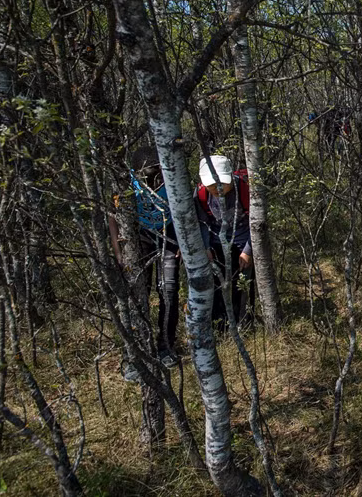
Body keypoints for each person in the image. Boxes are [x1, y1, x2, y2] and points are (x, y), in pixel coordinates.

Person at [108, 146, 181, 371]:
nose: (151, 179)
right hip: (141, 237)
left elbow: (184, 209)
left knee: (168, 291)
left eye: (155, 173)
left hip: (169, 237)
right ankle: (137, 350)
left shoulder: (172, 180)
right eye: (145, 174)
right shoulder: (127, 184)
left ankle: (166, 346)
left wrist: (182, 243)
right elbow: (112, 214)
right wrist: (118, 251)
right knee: (139, 290)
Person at [194, 155, 255, 331]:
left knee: (242, 284)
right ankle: (219, 325)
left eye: (223, 184)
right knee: (216, 285)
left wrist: (248, 250)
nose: (218, 189)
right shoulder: (201, 195)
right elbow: (202, 222)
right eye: (212, 185)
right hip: (216, 243)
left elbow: (257, 223)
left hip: (243, 243)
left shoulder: (245, 188)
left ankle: (244, 323)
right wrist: (206, 247)